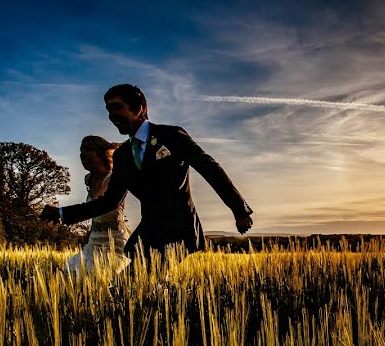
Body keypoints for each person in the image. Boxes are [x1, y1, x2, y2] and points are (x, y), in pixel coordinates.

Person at [41, 84, 252, 265]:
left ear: (139, 108)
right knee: (137, 292)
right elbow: (109, 201)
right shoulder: (123, 155)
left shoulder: (171, 136)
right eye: (108, 110)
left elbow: (209, 168)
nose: (111, 116)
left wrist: (239, 210)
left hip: (179, 229)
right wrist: (61, 213)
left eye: (116, 108)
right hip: (149, 231)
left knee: (133, 288)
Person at [64, 136, 130, 274]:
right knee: (71, 272)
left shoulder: (114, 179)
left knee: (103, 277)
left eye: (88, 150)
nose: (83, 155)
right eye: (81, 151)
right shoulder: (89, 180)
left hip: (114, 244)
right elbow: (93, 214)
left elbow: (105, 205)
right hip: (93, 243)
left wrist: (62, 213)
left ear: (100, 154)